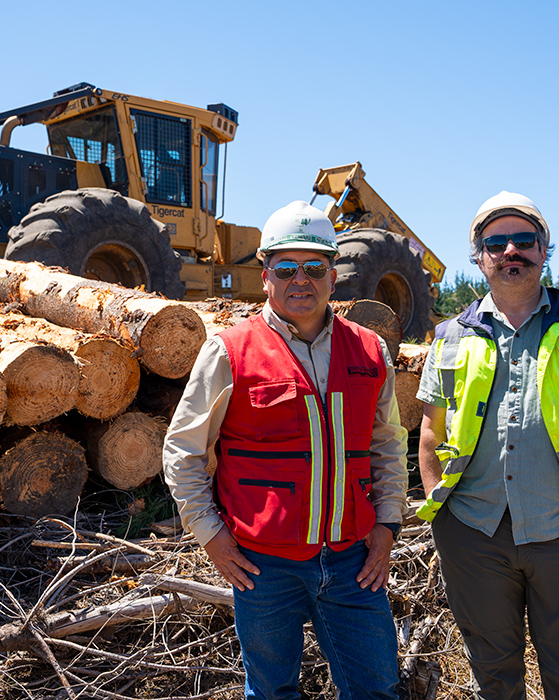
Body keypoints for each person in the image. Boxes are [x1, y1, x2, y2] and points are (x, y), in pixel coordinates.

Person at [163, 200, 409, 700]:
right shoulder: (230, 351)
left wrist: (387, 525)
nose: (303, 280)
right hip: (262, 565)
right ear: (266, 273)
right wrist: (210, 534)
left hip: (352, 560)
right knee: (272, 692)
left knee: (377, 689)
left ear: (333, 276)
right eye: (288, 267)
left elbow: (386, 443)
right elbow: (183, 450)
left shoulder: (369, 350)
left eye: (316, 267)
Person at [416, 191, 559, 700]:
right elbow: (430, 432)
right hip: (474, 532)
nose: (511, 249)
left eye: (524, 239)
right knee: (493, 677)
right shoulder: (451, 336)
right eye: (496, 241)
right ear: (479, 255)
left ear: (544, 249)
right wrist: (442, 518)